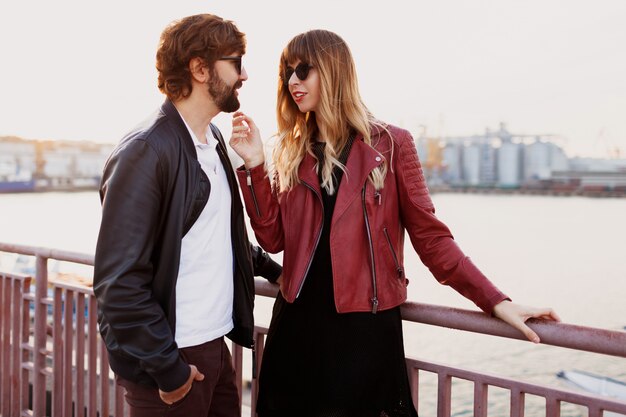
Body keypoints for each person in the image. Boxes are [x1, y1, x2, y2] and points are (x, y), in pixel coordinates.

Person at [228, 29, 560, 417]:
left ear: (335, 72)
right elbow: (272, 238)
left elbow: (432, 240)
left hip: (364, 335)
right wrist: (253, 165)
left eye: (304, 70)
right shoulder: (291, 149)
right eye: (287, 72)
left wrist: (496, 301)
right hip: (297, 328)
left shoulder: (391, 144)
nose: (293, 81)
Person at [93, 14, 281, 417]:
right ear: (199, 68)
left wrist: (280, 272)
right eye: (236, 61)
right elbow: (119, 284)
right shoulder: (145, 152)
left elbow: (215, 235)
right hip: (173, 360)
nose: (245, 74)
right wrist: (169, 371)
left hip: (213, 348)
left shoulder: (212, 139)